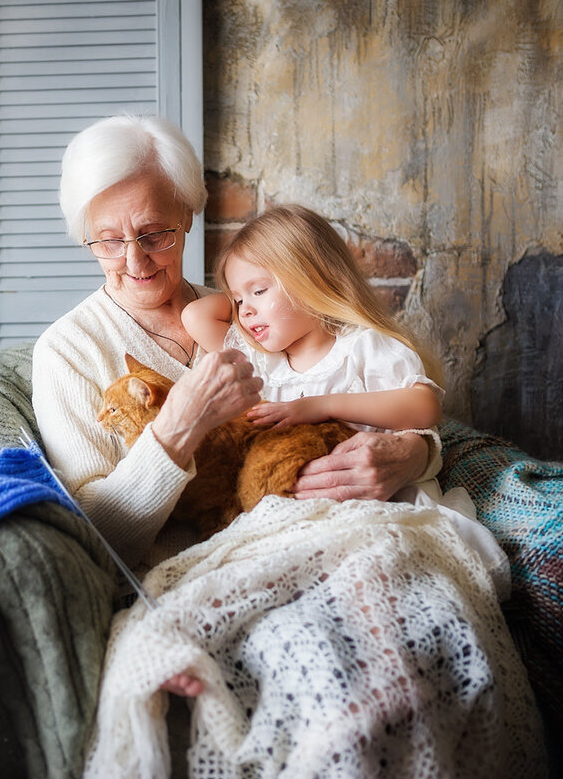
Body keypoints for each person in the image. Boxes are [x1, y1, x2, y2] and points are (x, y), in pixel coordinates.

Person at [32, 116, 435, 574]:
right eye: (108, 241)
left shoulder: (252, 317)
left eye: (154, 233)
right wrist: (178, 427)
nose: (134, 259)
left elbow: (384, 395)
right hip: (185, 575)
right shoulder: (67, 351)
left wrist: (414, 456)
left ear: (186, 213)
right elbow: (93, 539)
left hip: (318, 541)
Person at [183, 203, 510, 598]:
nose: (245, 310)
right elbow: (197, 315)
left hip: (373, 505)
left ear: (312, 277)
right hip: (294, 516)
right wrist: (244, 291)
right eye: (237, 300)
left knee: (377, 580)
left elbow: (425, 407)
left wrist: (321, 405)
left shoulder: (361, 348)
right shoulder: (261, 362)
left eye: (259, 289)